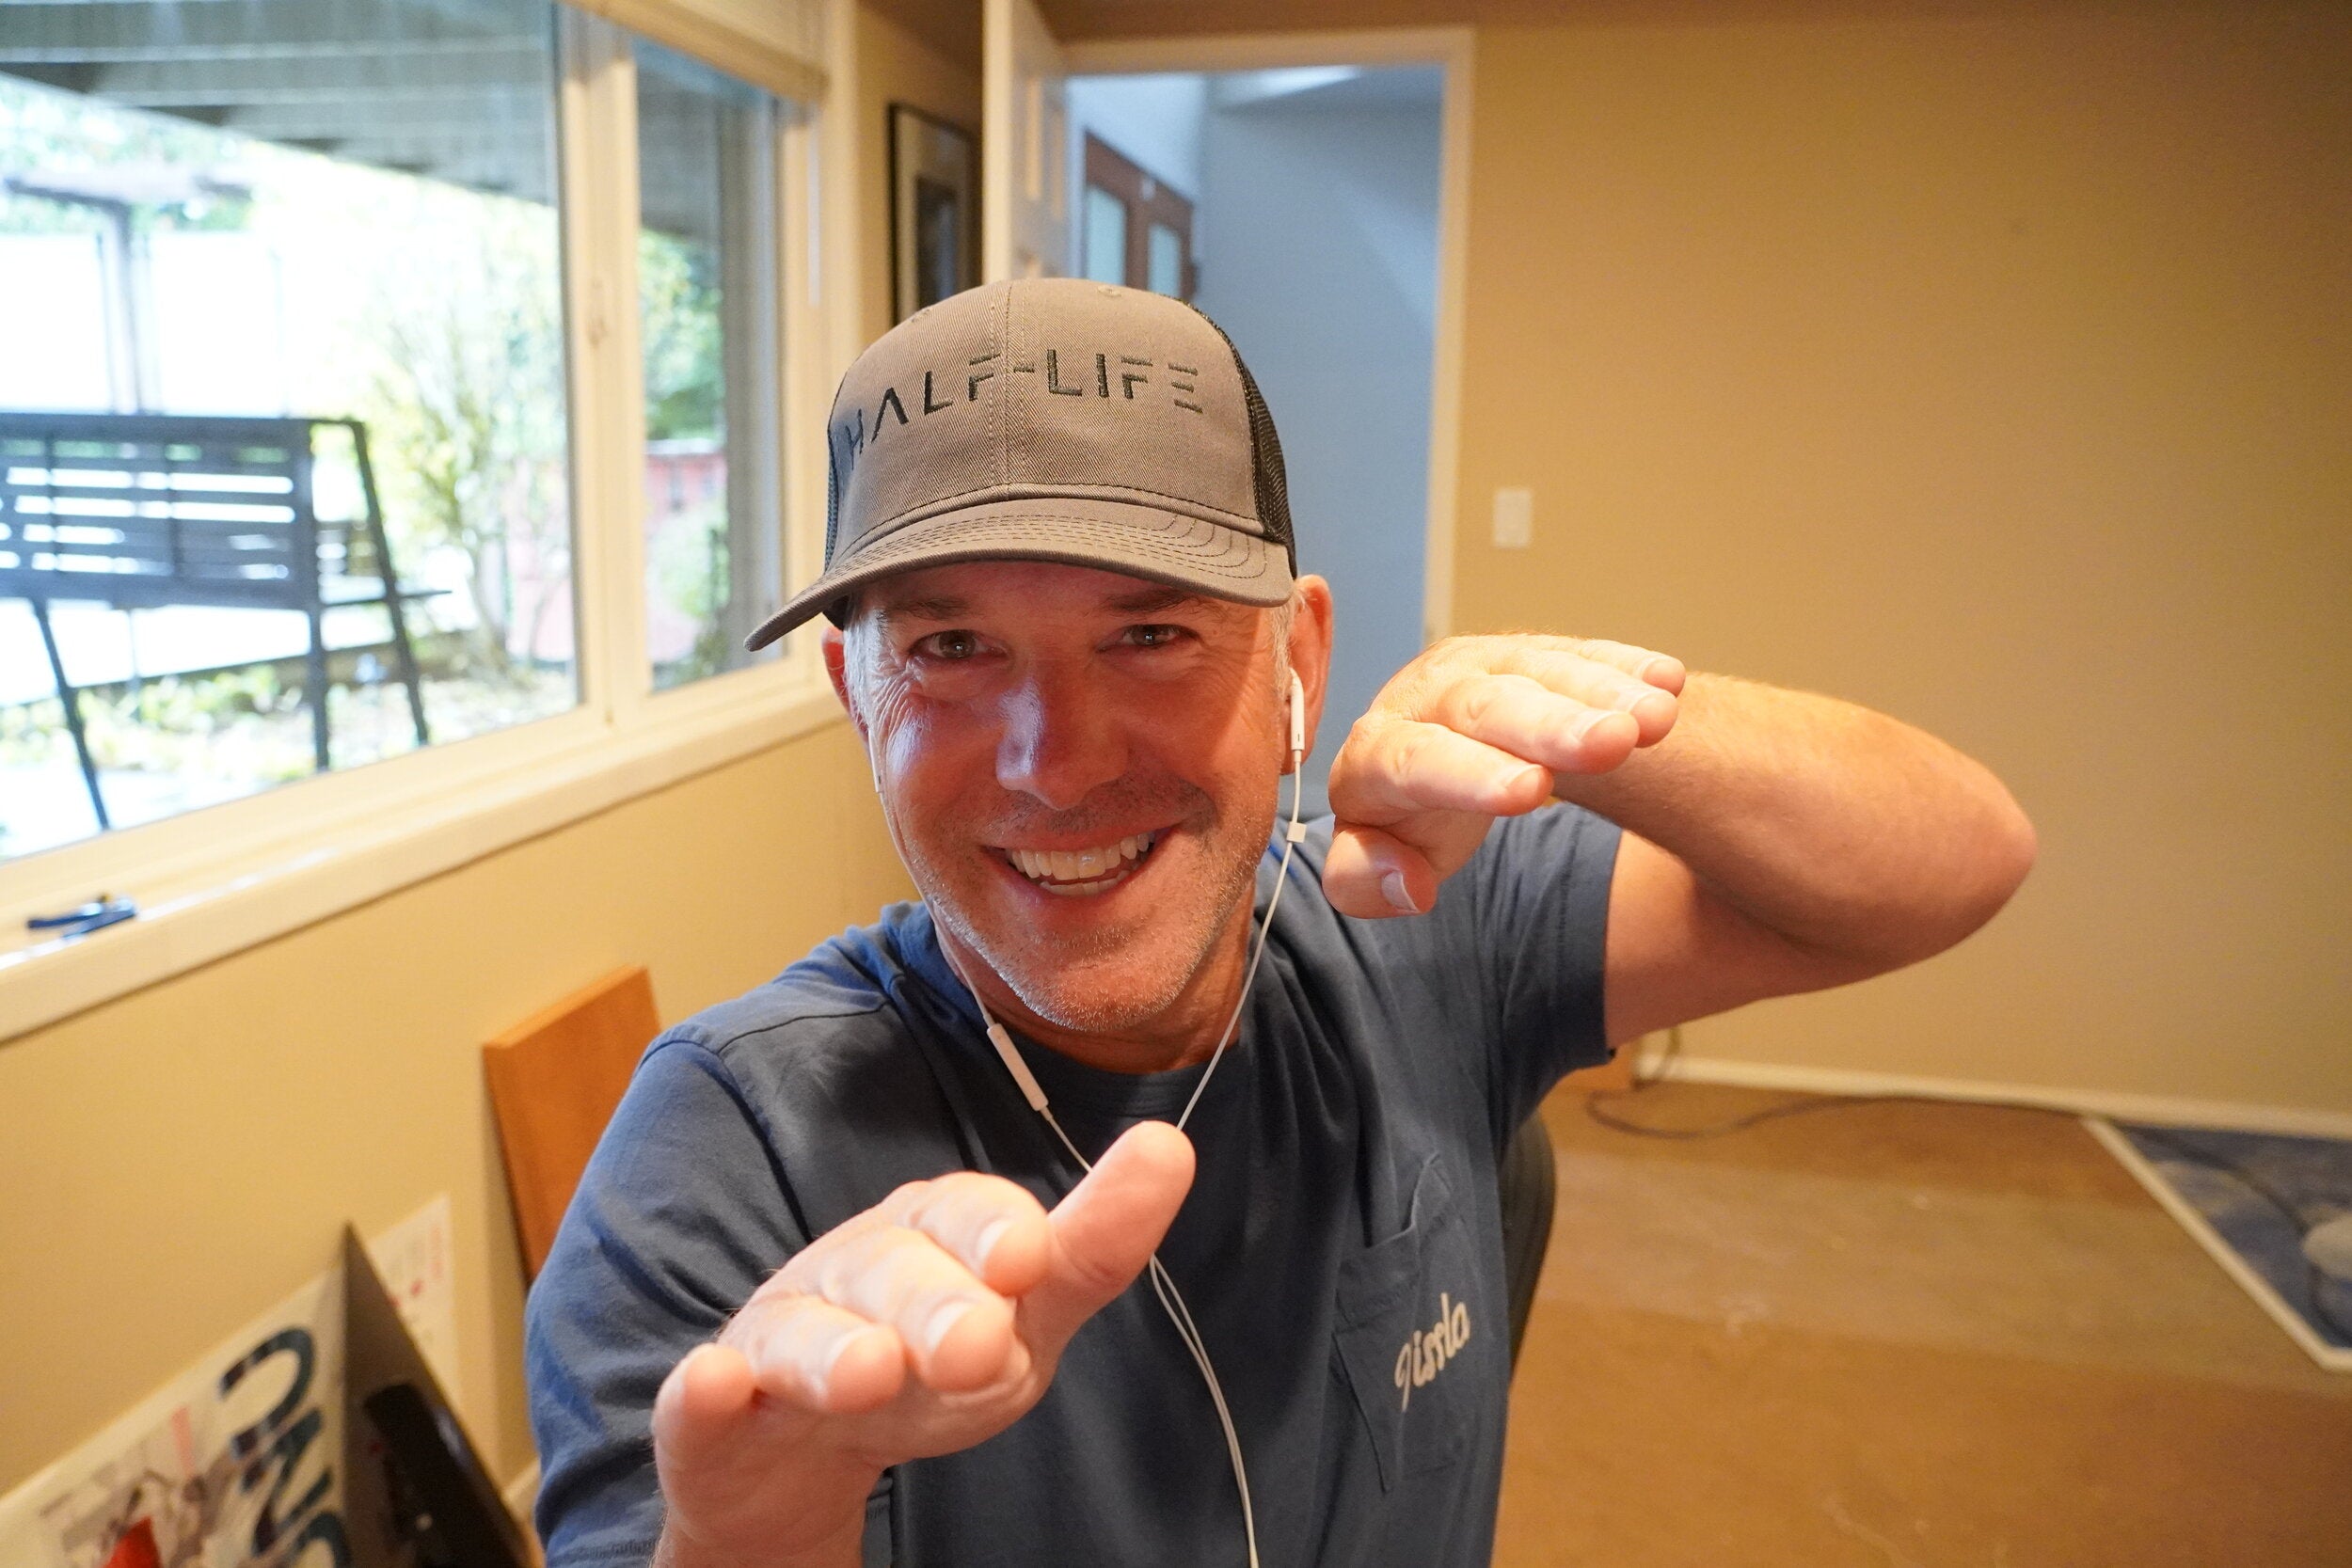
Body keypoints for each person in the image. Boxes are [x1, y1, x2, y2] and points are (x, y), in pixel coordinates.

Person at [525, 277, 2035, 1568]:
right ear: (856, 696)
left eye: (1151, 633)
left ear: (1297, 662)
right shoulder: (724, 1152)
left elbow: (1958, 860)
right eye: (955, 648)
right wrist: (756, 1535)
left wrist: (1599, 726)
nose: (1058, 763)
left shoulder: (1417, 922)